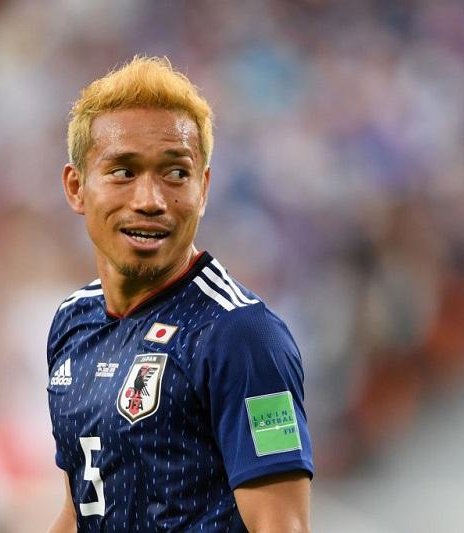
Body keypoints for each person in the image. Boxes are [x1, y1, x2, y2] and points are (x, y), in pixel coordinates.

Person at [47, 56, 313, 532]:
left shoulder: (241, 336)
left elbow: (282, 527)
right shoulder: (73, 322)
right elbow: (77, 512)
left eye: (175, 173)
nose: (150, 200)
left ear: (203, 188)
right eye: (123, 172)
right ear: (76, 187)